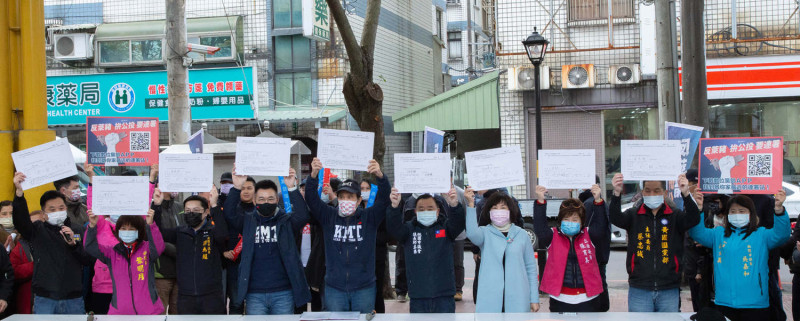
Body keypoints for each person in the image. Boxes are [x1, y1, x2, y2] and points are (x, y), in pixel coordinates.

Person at [304, 157, 391, 313]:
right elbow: (312, 200)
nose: (345, 200)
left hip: (364, 288)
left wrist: (380, 176)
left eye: (350, 197)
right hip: (334, 288)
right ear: (337, 198)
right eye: (342, 197)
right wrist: (313, 176)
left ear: (358, 200)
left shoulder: (369, 218)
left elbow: (385, 199)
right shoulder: (328, 216)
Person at [689, 188, 789, 321]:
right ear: (727, 214)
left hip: (755, 304)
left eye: (742, 211)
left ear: (751, 214)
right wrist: (699, 209)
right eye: (733, 211)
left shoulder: (762, 235)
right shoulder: (718, 234)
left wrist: (779, 210)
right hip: (724, 301)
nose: (737, 215)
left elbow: (781, 234)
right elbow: (697, 233)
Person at [609, 173, 700, 312]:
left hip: (669, 288)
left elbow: (693, 219)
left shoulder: (675, 216)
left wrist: (686, 193)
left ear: (664, 192)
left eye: (657, 190)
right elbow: (615, 217)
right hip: (639, 287)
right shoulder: (633, 215)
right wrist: (616, 192)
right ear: (642, 192)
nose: (652, 194)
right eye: (648, 190)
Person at [225, 168, 311, 315]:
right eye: (261, 199)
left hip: (283, 292)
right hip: (254, 293)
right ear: (254, 201)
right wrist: (236, 187)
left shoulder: (286, 220)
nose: (266, 202)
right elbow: (229, 213)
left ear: (277, 200)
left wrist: (291, 187)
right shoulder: (248, 221)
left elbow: (303, 216)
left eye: (271, 199)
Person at [11, 172, 94, 314]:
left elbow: (88, 259)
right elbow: (20, 222)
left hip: (73, 297)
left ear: (66, 209)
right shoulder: (37, 230)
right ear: (44, 214)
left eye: (61, 208)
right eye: (52, 209)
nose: (58, 211)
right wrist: (19, 193)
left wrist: (74, 245)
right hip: (45, 297)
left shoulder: (77, 229)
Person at [386, 188, 465, 313]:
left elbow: (459, 222)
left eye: (430, 208)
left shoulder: (446, 228)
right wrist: (394, 206)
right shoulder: (409, 230)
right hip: (418, 296)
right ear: (415, 212)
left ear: (438, 211)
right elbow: (393, 227)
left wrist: (454, 204)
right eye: (421, 209)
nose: (426, 211)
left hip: (444, 295)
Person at [153, 188, 228, 315]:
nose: (191, 213)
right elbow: (158, 232)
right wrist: (157, 206)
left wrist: (214, 205)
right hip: (186, 297)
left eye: (196, 210)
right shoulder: (180, 232)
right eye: (188, 211)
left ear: (205, 212)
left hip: (212, 296)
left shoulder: (212, 231)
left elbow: (223, 236)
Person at [533, 185, 607, 312]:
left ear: (582, 222)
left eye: (575, 219)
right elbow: (540, 226)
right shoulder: (552, 236)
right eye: (566, 219)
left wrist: (598, 200)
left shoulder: (590, 234)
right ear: (560, 221)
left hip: (589, 298)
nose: (570, 222)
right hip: (560, 299)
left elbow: (601, 224)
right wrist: (540, 201)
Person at [465, 187, 539, 313]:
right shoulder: (485, 233)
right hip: (491, 298)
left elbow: (531, 268)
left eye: (503, 208)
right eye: (494, 208)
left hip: (518, 298)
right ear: (488, 212)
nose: (498, 211)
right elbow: (472, 233)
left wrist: (534, 298)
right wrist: (471, 204)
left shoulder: (521, 234)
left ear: (510, 210)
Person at [84, 208, 165, 315]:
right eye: (123, 228)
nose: (127, 232)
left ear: (139, 231)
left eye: (131, 229)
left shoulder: (147, 249)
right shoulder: (112, 252)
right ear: (118, 231)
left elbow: (159, 247)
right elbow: (89, 247)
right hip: (119, 312)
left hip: (148, 311)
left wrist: (151, 225)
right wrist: (92, 227)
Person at [223, 175, 255, 315]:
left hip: (256, 263)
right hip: (235, 263)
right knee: (236, 303)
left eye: (249, 188)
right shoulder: (233, 209)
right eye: (242, 188)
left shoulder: (261, 210)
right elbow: (228, 214)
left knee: (255, 304)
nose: (246, 191)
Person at [10, 210, 44, 314]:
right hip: (28, 302)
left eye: (39, 223)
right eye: (32, 223)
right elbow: (13, 271)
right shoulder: (20, 247)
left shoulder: (56, 243)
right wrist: (37, 265)